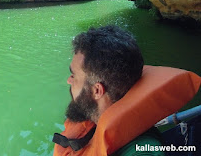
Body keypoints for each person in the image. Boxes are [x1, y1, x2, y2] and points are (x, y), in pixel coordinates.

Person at [53, 25, 165, 155]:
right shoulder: (94, 118)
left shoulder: (142, 152)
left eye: (74, 76)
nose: (69, 80)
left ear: (97, 91)